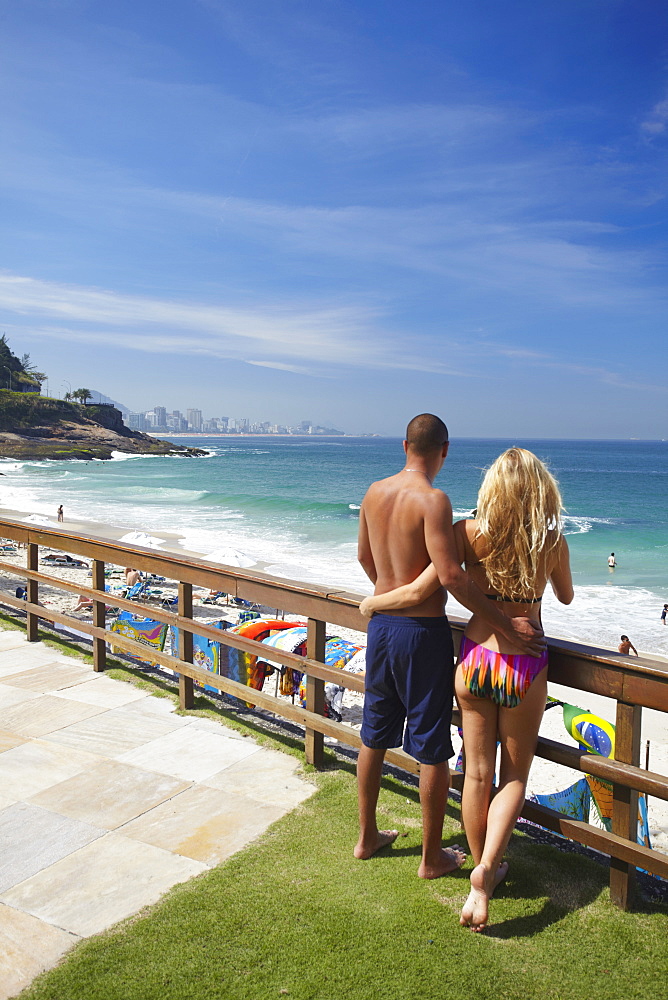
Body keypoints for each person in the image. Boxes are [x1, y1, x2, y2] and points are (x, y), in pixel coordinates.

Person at [360, 447, 572, 930]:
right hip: (523, 666)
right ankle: (486, 868)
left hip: (475, 659)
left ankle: (485, 866)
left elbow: (435, 583)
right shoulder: (552, 541)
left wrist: (374, 602)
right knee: (513, 777)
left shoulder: (467, 534)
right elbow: (565, 594)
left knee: (475, 774)